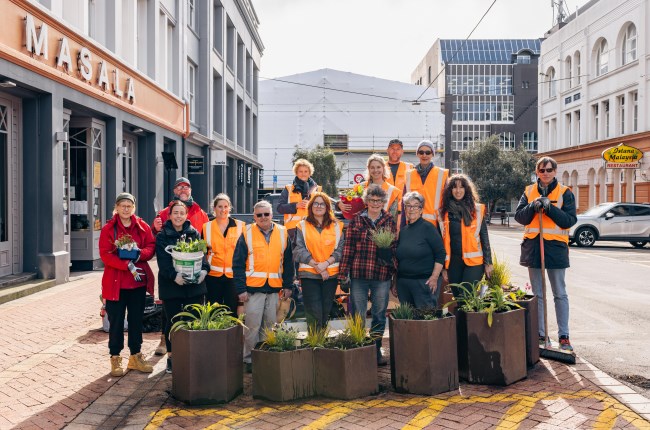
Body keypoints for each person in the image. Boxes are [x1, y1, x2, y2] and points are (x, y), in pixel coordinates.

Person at [515, 156, 577, 352]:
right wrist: (533, 206)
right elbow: (519, 217)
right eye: (542, 170)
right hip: (534, 248)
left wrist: (549, 208)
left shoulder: (565, 193)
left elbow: (568, 221)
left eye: (549, 170)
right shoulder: (528, 191)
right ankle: (541, 334)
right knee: (538, 295)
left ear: (555, 171)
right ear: (537, 172)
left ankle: (564, 336)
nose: (546, 173)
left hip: (556, 249)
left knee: (560, 293)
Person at [233, 200, 294, 373]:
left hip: (275, 288)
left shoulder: (282, 232)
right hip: (252, 290)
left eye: (266, 214)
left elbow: (289, 263)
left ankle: (266, 357)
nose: (263, 217)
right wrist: (241, 289)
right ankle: (249, 360)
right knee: (252, 327)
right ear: (254, 216)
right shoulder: (247, 233)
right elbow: (237, 264)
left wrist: (288, 285)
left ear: (272, 215)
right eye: (259, 215)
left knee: (270, 326)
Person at [338, 185, 397, 366]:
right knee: (358, 314)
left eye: (379, 200)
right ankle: (358, 348)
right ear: (366, 201)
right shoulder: (357, 220)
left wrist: (392, 267)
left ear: (383, 202)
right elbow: (348, 248)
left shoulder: (389, 220)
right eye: (372, 200)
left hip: (381, 275)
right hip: (359, 274)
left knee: (379, 314)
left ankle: (375, 349)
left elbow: (395, 248)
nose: (375, 203)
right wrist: (343, 273)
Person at [99, 193, 156, 377]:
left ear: (134, 208)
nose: (125, 209)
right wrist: (125, 264)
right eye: (122, 205)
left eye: (129, 206)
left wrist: (139, 254)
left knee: (136, 320)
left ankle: (135, 356)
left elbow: (151, 245)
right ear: (116, 207)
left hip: (137, 283)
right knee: (115, 322)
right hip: (116, 284)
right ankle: (115, 357)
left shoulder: (142, 226)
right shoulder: (109, 229)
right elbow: (105, 254)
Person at [151, 177, 209, 356]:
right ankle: (172, 356)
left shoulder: (194, 231)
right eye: (175, 213)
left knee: (193, 319)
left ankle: (191, 355)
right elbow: (162, 260)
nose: (178, 216)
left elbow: (203, 253)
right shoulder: (163, 235)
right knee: (173, 321)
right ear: (169, 215)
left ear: (186, 216)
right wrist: (173, 275)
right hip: (171, 284)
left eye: (181, 213)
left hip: (193, 284)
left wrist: (204, 270)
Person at [293, 192, 344, 329]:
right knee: (313, 312)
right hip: (309, 275)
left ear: (327, 207)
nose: (319, 206)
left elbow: (340, 250)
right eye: (315, 203)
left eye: (322, 204)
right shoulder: (302, 225)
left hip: (331, 275)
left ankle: (321, 345)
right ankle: (314, 346)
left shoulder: (337, 226)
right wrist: (317, 267)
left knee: (325, 311)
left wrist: (326, 264)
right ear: (311, 206)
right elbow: (298, 250)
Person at [439, 174, 493, 300]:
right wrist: (443, 267)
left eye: (461, 187)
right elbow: (441, 242)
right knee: (458, 298)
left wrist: (488, 262)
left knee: (466, 296)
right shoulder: (443, 213)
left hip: (474, 263)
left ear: (466, 189)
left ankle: (469, 319)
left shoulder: (477, 210)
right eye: (454, 187)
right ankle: (463, 320)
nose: (458, 191)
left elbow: (484, 237)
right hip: (453, 262)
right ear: (449, 190)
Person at [395, 192, 446, 309]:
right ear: (404, 209)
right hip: (404, 284)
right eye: (408, 205)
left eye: (416, 206)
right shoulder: (403, 231)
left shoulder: (428, 228)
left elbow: (440, 253)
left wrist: (434, 277)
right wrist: (395, 282)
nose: (411, 209)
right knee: (409, 321)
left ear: (421, 210)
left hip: (424, 283)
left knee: (425, 321)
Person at [203, 193, 245, 315]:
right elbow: (203, 252)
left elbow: (244, 252)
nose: (223, 209)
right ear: (214, 208)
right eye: (220, 206)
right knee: (212, 309)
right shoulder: (206, 227)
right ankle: (214, 334)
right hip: (212, 275)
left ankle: (230, 334)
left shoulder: (240, 226)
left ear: (229, 208)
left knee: (231, 309)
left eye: (226, 206)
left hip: (233, 275)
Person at [402, 140, 449, 227]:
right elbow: (404, 203)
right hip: (413, 224)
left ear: (432, 154)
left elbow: (447, 202)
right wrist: (403, 226)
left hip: (435, 226)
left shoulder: (442, 174)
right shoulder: (409, 175)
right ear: (417, 154)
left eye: (428, 152)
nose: (424, 155)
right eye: (421, 152)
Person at [277, 159, 322, 240]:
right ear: (296, 173)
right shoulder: (288, 188)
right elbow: (279, 208)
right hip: (293, 231)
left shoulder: (318, 189)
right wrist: (296, 205)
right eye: (300, 171)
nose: (303, 174)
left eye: (306, 171)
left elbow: (325, 208)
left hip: (313, 228)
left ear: (309, 173)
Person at [362, 154, 402, 221]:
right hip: (362, 228)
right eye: (372, 167)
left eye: (378, 167)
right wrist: (339, 205)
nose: (375, 170)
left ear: (383, 168)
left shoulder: (394, 191)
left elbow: (395, 217)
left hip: (384, 229)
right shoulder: (360, 188)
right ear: (368, 169)